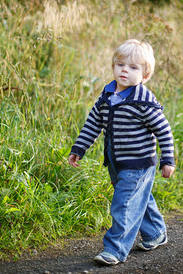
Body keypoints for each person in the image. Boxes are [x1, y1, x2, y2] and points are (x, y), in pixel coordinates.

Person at [68, 39, 176, 266]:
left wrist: (168, 159)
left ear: (145, 76)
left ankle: (115, 249)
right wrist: (79, 148)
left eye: (133, 67)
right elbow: (93, 123)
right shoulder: (107, 95)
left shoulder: (143, 101)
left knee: (124, 203)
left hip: (139, 163)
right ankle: (156, 232)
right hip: (116, 162)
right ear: (114, 66)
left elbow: (164, 131)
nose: (125, 70)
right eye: (120, 65)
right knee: (139, 199)